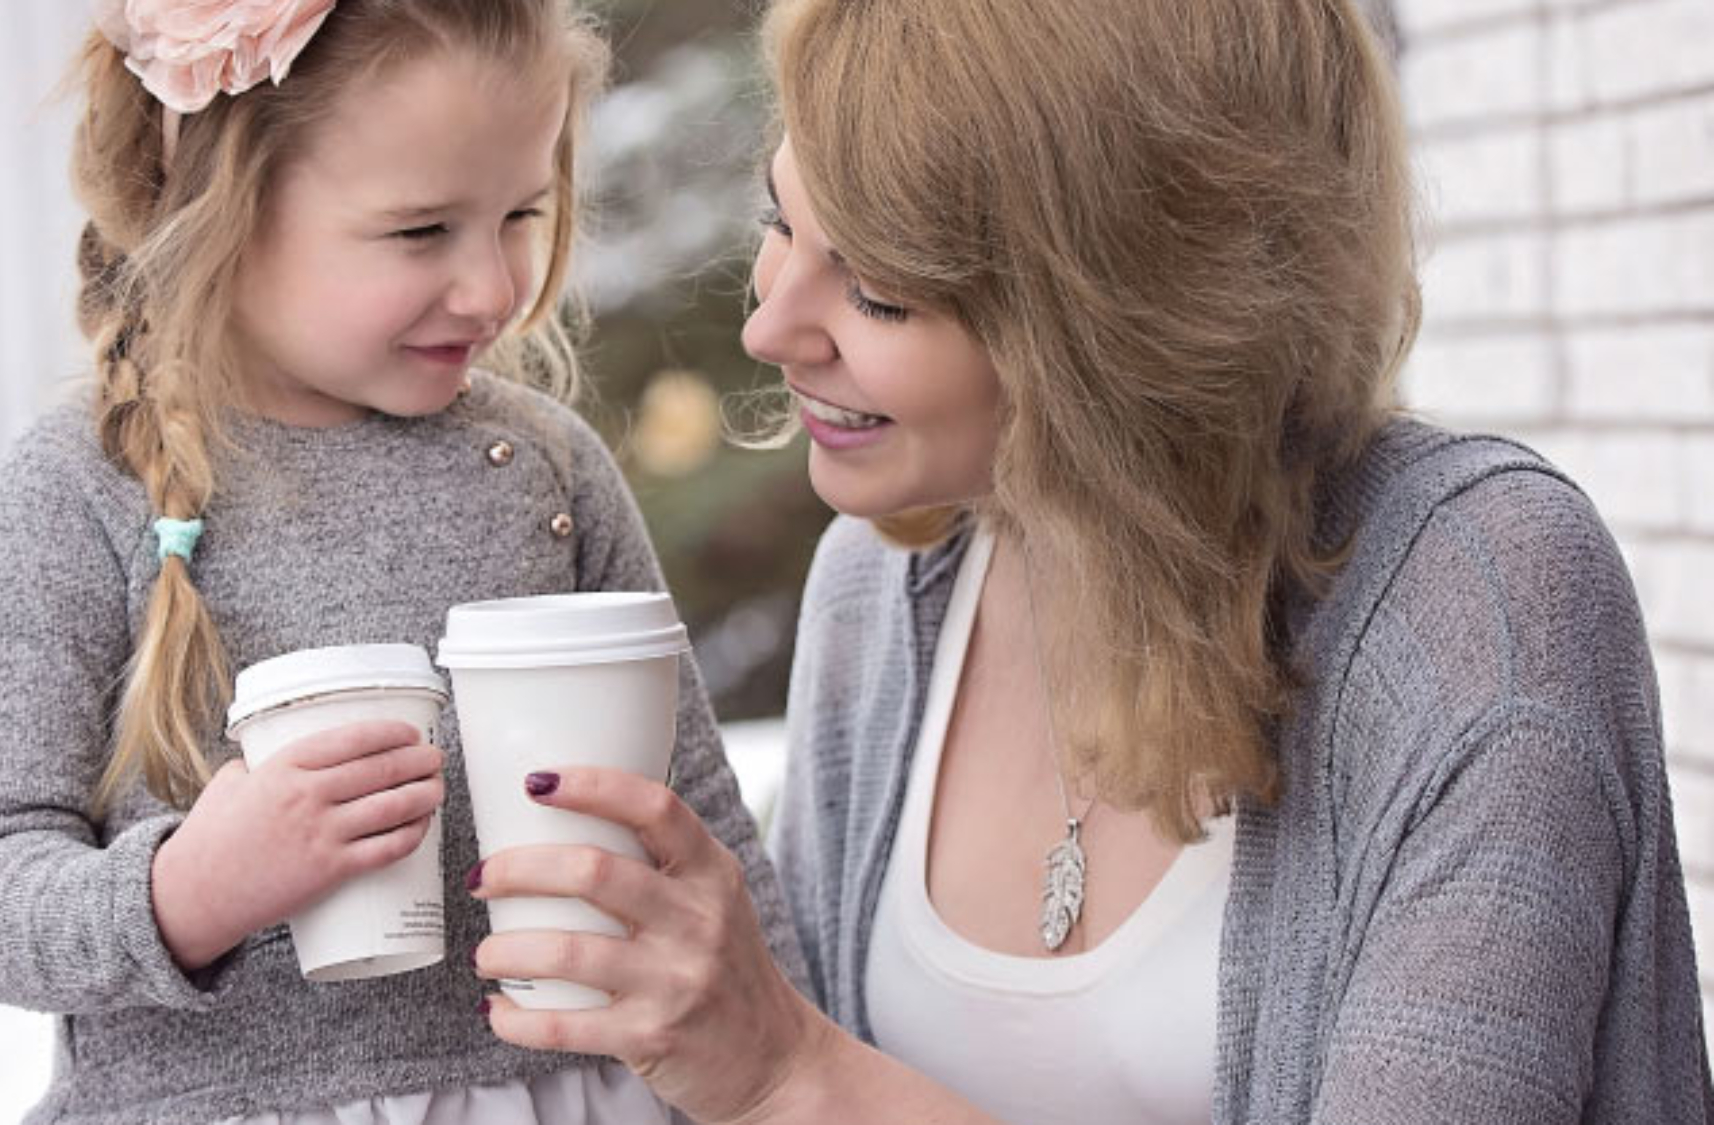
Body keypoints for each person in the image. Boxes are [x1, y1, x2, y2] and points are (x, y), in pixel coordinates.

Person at [466, 0, 1714, 1121]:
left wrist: (795, 1077)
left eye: (881, 292)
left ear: (1121, 313)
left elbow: (802, 1077)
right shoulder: (882, 592)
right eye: (778, 223)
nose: (768, 324)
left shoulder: (1477, 600)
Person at [0, 3, 800, 1123]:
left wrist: (785, 1065)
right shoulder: (85, 489)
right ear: (221, 206)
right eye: (420, 232)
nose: (492, 289)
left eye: (520, 213)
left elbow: (698, 819)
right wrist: (188, 890)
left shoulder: (544, 471)